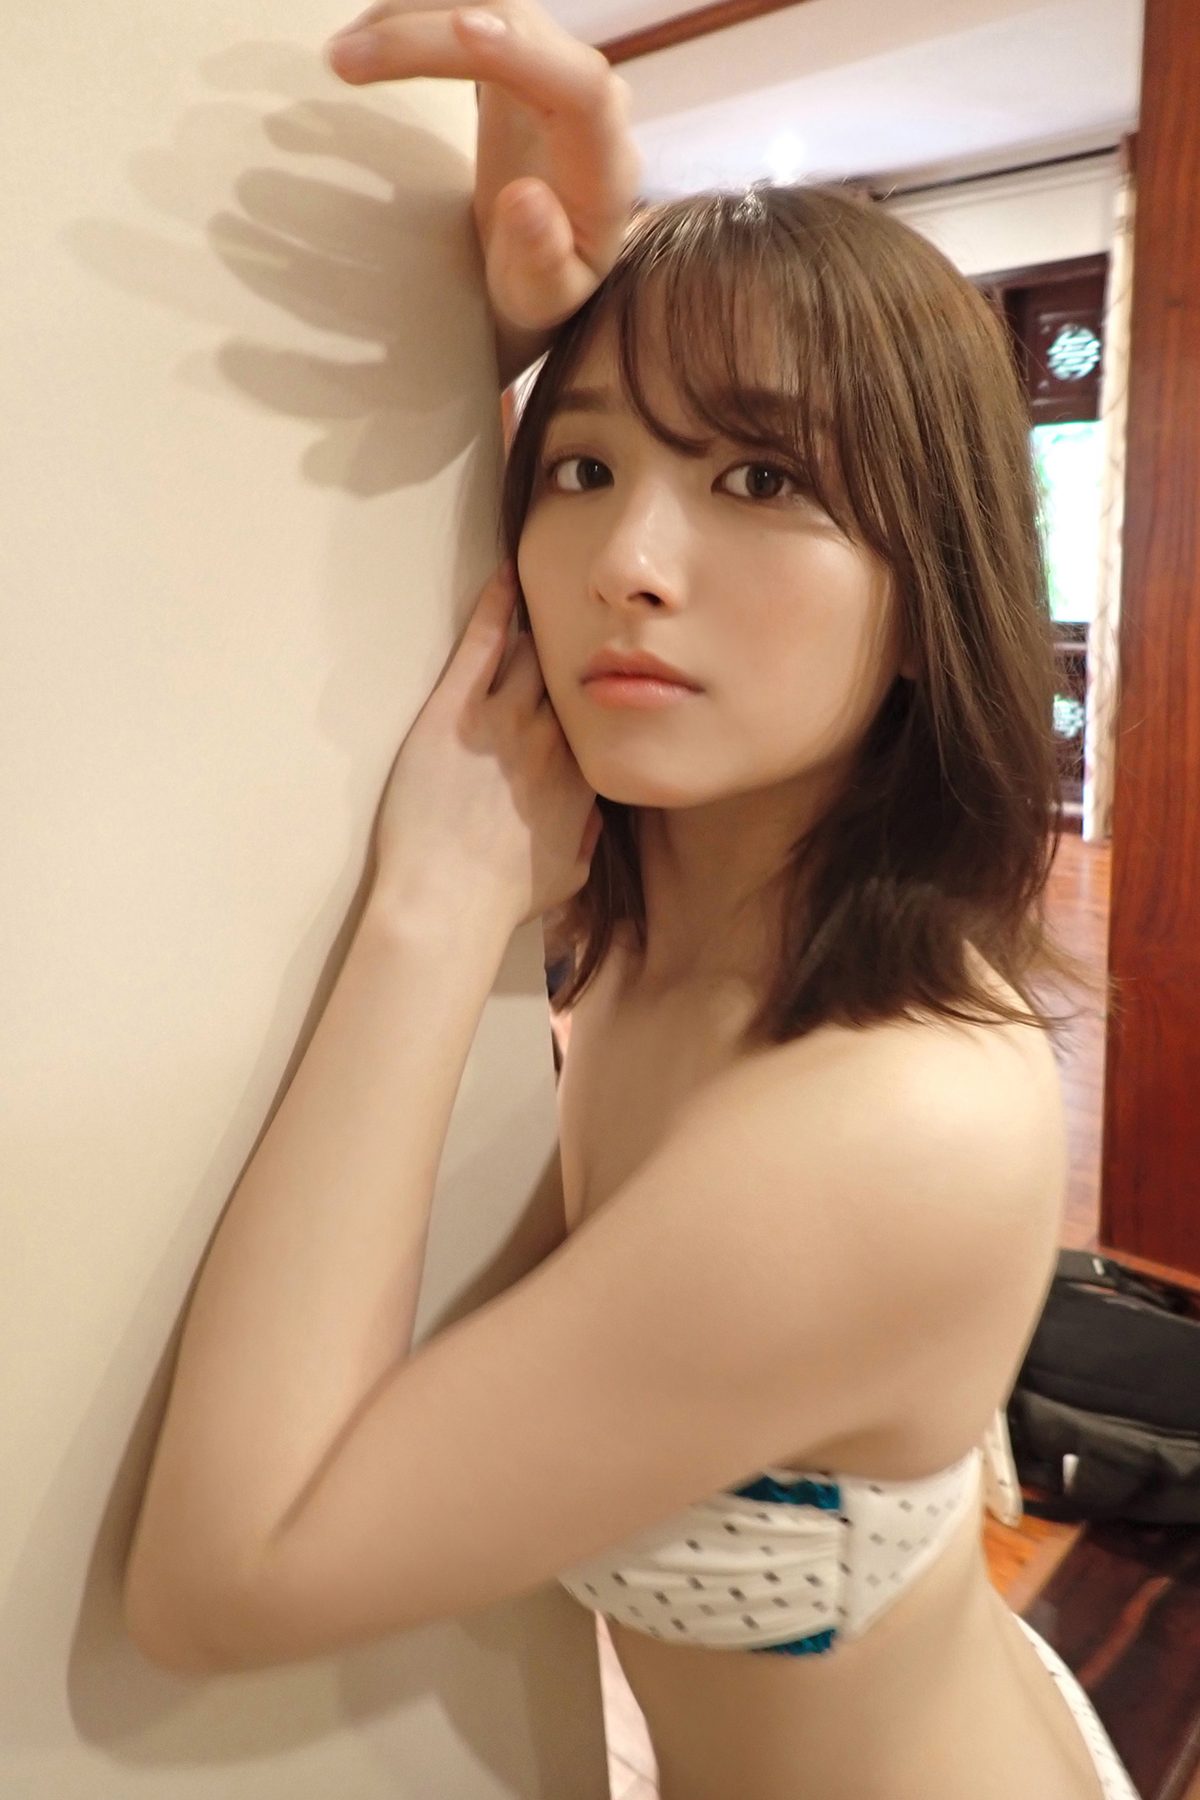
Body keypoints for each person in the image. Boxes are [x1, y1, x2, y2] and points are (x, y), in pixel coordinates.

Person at [123, 6, 1137, 1799]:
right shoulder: (676, 940)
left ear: (934, 588)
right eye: (586, 472)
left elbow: (222, 1584)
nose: (628, 566)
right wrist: (484, 343)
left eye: (761, 479)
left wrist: (436, 909)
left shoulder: (889, 1124)